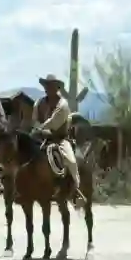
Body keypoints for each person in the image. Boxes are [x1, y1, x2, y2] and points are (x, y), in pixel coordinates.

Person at [31, 74, 83, 205]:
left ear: (57, 88)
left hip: (59, 139)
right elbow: (35, 120)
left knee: (71, 161)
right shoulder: (38, 103)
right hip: (41, 137)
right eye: (47, 86)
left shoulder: (63, 104)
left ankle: (76, 190)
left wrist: (41, 128)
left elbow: (54, 122)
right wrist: (38, 129)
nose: (49, 88)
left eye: (52, 86)